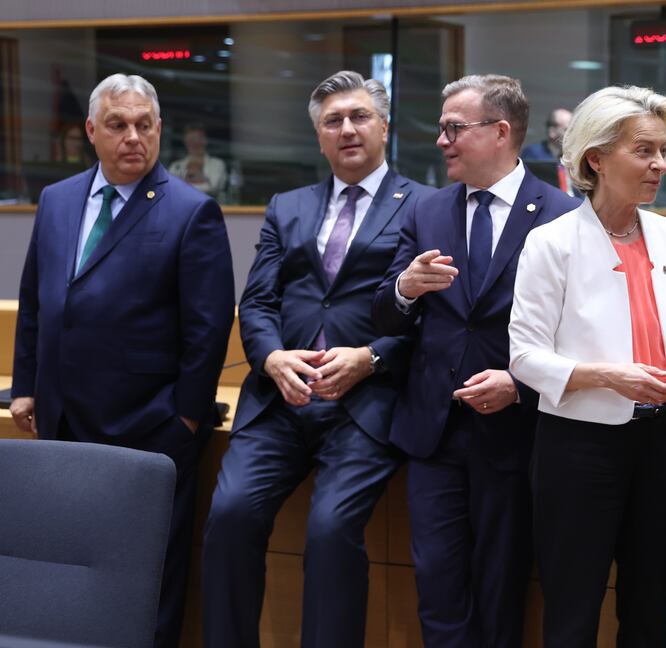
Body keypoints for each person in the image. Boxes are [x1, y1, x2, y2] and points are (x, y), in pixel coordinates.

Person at [508, 85, 666, 647]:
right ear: (595, 158)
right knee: (573, 607)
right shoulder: (551, 243)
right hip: (578, 446)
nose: (660, 165)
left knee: (650, 606)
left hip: (660, 442)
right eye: (644, 150)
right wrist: (607, 375)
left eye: (663, 150)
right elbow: (524, 356)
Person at [201, 70, 430, 647]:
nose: (347, 129)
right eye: (333, 121)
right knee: (228, 517)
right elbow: (256, 302)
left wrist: (371, 358)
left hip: (366, 406)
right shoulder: (288, 206)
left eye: (359, 117)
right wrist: (271, 357)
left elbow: (434, 320)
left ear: (384, 125)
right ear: (320, 136)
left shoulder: (426, 207)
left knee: (330, 532)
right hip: (279, 400)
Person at [9, 73, 234, 648]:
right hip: (63, 422)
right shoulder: (59, 199)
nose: (133, 136)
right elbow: (37, 297)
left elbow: (207, 329)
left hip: (148, 428)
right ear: (91, 131)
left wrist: (183, 420)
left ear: (159, 129)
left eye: (144, 124)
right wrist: (27, 383)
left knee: (144, 581)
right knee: (65, 566)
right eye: (117, 125)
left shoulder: (191, 211)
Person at [372, 74, 579, 647]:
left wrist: (520, 381)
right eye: (442, 129)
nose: (442, 141)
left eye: (454, 129)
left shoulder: (562, 215)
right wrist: (406, 289)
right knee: (437, 585)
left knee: (501, 587)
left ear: (501, 132)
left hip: (515, 431)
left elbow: (578, 334)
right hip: (433, 432)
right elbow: (385, 317)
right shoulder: (425, 211)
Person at [522, 108, 576, 195]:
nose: (573, 134)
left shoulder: (575, 156)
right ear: (552, 132)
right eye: (567, 129)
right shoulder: (533, 153)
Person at [168, 122, 228, 198]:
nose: (195, 143)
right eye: (191, 139)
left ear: (206, 141)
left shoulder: (218, 164)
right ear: (185, 142)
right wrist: (204, 182)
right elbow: (171, 189)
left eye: (199, 138)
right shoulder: (175, 166)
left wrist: (184, 184)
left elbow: (213, 188)